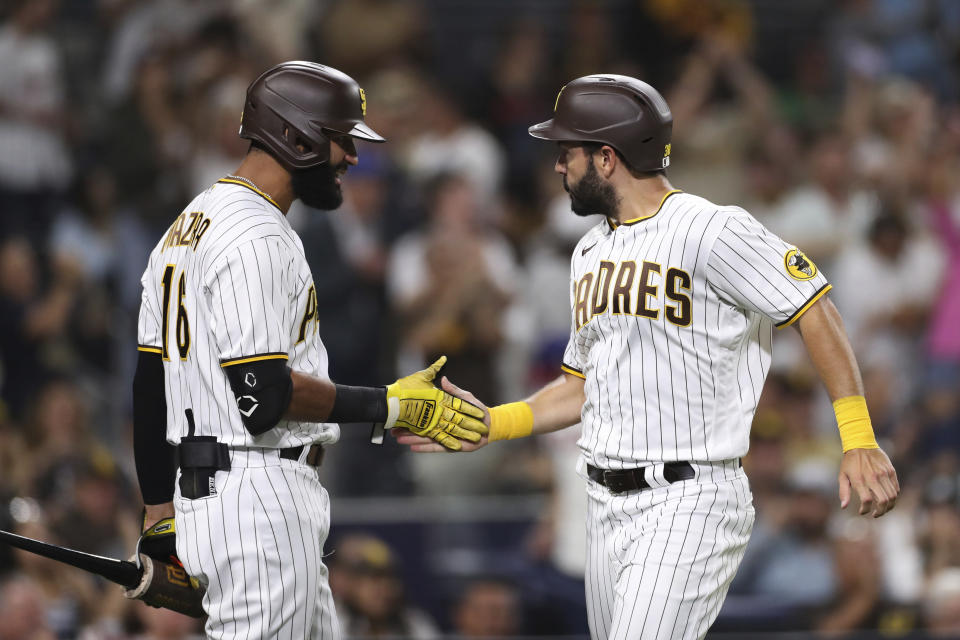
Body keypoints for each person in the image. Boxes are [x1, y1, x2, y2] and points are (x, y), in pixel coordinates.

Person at [396, 74, 900, 640]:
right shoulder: (589, 251)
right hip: (603, 506)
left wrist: (857, 437)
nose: (559, 167)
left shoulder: (712, 229)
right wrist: (496, 421)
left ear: (607, 158)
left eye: (568, 153)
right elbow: (581, 384)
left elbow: (814, 308)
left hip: (689, 499)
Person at [130, 61, 487, 639]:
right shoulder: (259, 235)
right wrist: (394, 405)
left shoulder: (186, 224)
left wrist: (157, 512)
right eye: (341, 140)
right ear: (294, 138)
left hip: (216, 496)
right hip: (259, 501)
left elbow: (151, 384)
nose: (351, 156)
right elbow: (263, 397)